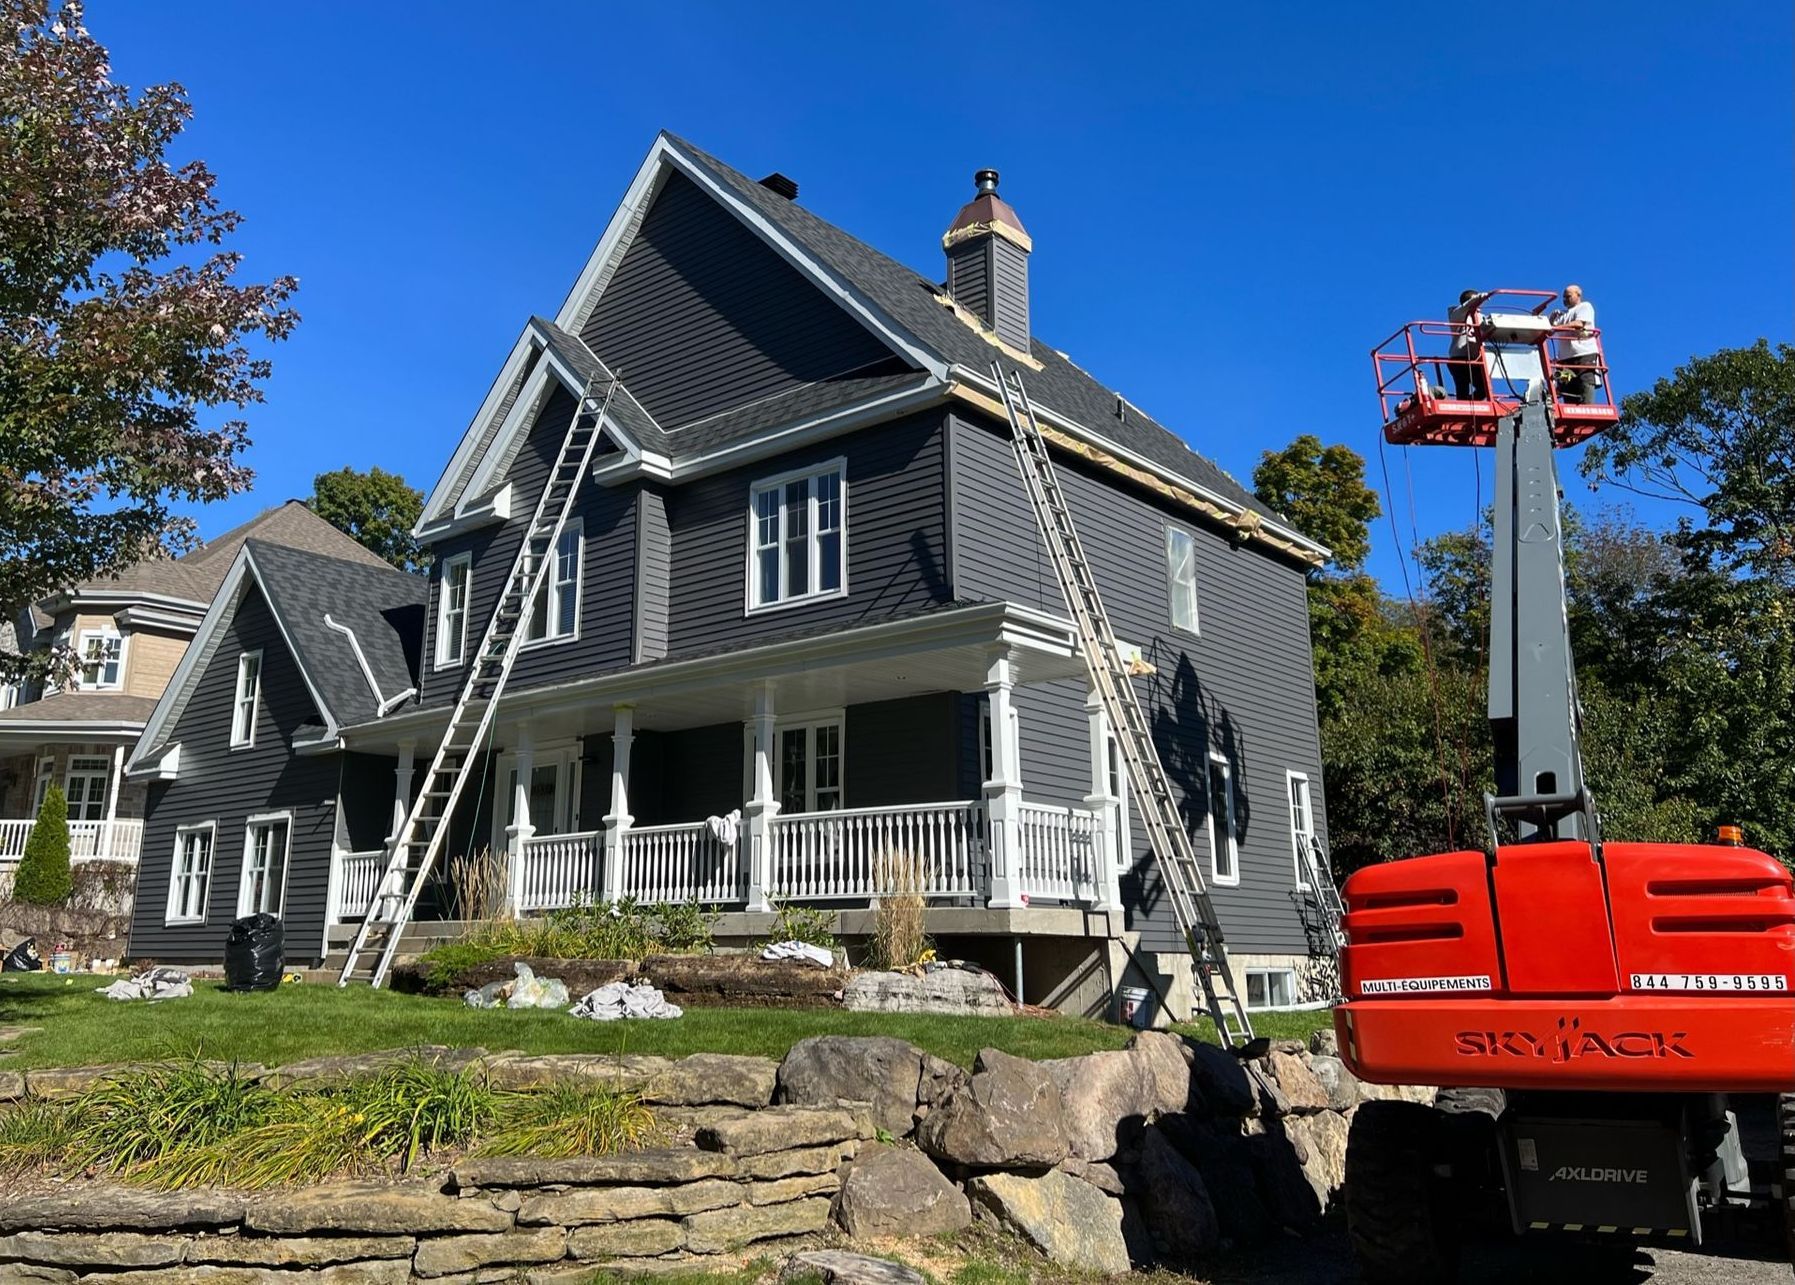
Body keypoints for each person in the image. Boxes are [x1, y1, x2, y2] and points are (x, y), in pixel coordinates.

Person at [1549, 283, 1599, 403]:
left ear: (1578, 295)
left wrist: (1558, 327)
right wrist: (1551, 319)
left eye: (1568, 296)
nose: (1565, 299)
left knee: (1585, 389)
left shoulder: (1585, 307)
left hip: (1583, 356)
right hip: (1565, 360)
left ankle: (1587, 417)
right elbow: (1548, 331)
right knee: (1568, 393)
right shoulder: (1562, 315)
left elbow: (1578, 324)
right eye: (1564, 297)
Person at [1446, 289, 1492, 400]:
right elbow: (1466, 306)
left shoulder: (1481, 317)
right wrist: (1479, 298)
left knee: (1485, 389)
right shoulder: (1457, 314)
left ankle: (1470, 404)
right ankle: (1464, 405)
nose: (1480, 306)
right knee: (1462, 389)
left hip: (1475, 360)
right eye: (1477, 303)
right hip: (1459, 359)